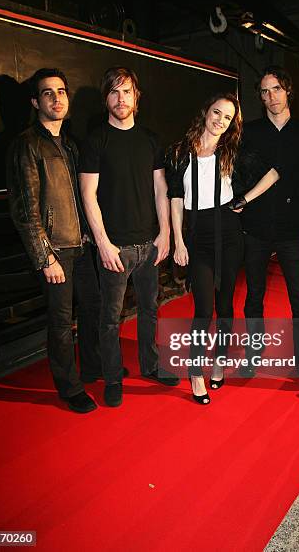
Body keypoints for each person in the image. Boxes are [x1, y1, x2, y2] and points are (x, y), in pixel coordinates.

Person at [165, 93, 279, 404]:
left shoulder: (233, 152)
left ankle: (219, 361)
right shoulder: (179, 152)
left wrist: (243, 200)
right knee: (203, 310)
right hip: (198, 235)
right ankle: (195, 370)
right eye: (217, 112)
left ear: (231, 124)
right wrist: (178, 240)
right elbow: (175, 197)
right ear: (206, 112)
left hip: (229, 234)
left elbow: (272, 174)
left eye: (227, 118)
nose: (220, 120)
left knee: (225, 305)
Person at [79, 66, 179, 408]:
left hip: (149, 243)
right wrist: (103, 243)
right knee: (110, 318)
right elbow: (88, 195)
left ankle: (151, 366)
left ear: (137, 98)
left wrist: (164, 232)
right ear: (106, 98)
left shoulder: (151, 139)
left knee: (151, 310)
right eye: (114, 92)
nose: (121, 99)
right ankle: (112, 377)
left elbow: (160, 188)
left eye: (127, 92)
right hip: (114, 248)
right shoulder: (95, 140)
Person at [7, 68, 100, 413]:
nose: (56, 98)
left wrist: (89, 233)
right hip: (55, 250)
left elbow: (78, 196)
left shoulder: (71, 144)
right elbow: (25, 210)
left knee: (93, 307)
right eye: (48, 93)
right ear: (36, 102)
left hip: (81, 245)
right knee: (61, 323)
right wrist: (45, 257)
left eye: (61, 91)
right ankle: (69, 387)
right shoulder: (26, 145)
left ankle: (93, 367)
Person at [233, 65, 299, 386]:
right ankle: (253, 357)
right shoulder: (250, 132)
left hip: (293, 229)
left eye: (276, 89)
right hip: (256, 228)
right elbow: (236, 174)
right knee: (253, 297)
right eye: (264, 91)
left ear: (288, 91)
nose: (270, 96)